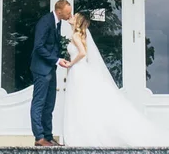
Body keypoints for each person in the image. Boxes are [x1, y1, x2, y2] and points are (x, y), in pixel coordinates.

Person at [63, 12, 163, 147]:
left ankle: (81, 136)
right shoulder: (81, 35)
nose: (71, 17)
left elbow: (82, 53)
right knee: (82, 102)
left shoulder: (76, 35)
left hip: (78, 70)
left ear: (78, 21)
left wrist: (70, 63)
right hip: (81, 70)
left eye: (74, 16)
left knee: (79, 100)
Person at [30, 0, 72, 147]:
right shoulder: (45, 22)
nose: (70, 15)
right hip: (41, 69)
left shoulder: (58, 22)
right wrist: (56, 60)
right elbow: (39, 47)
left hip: (50, 68)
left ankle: (48, 137)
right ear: (59, 11)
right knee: (39, 103)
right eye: (68, 12)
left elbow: (53, 44)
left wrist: (61, 57)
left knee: (49, 104)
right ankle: (39, 138)